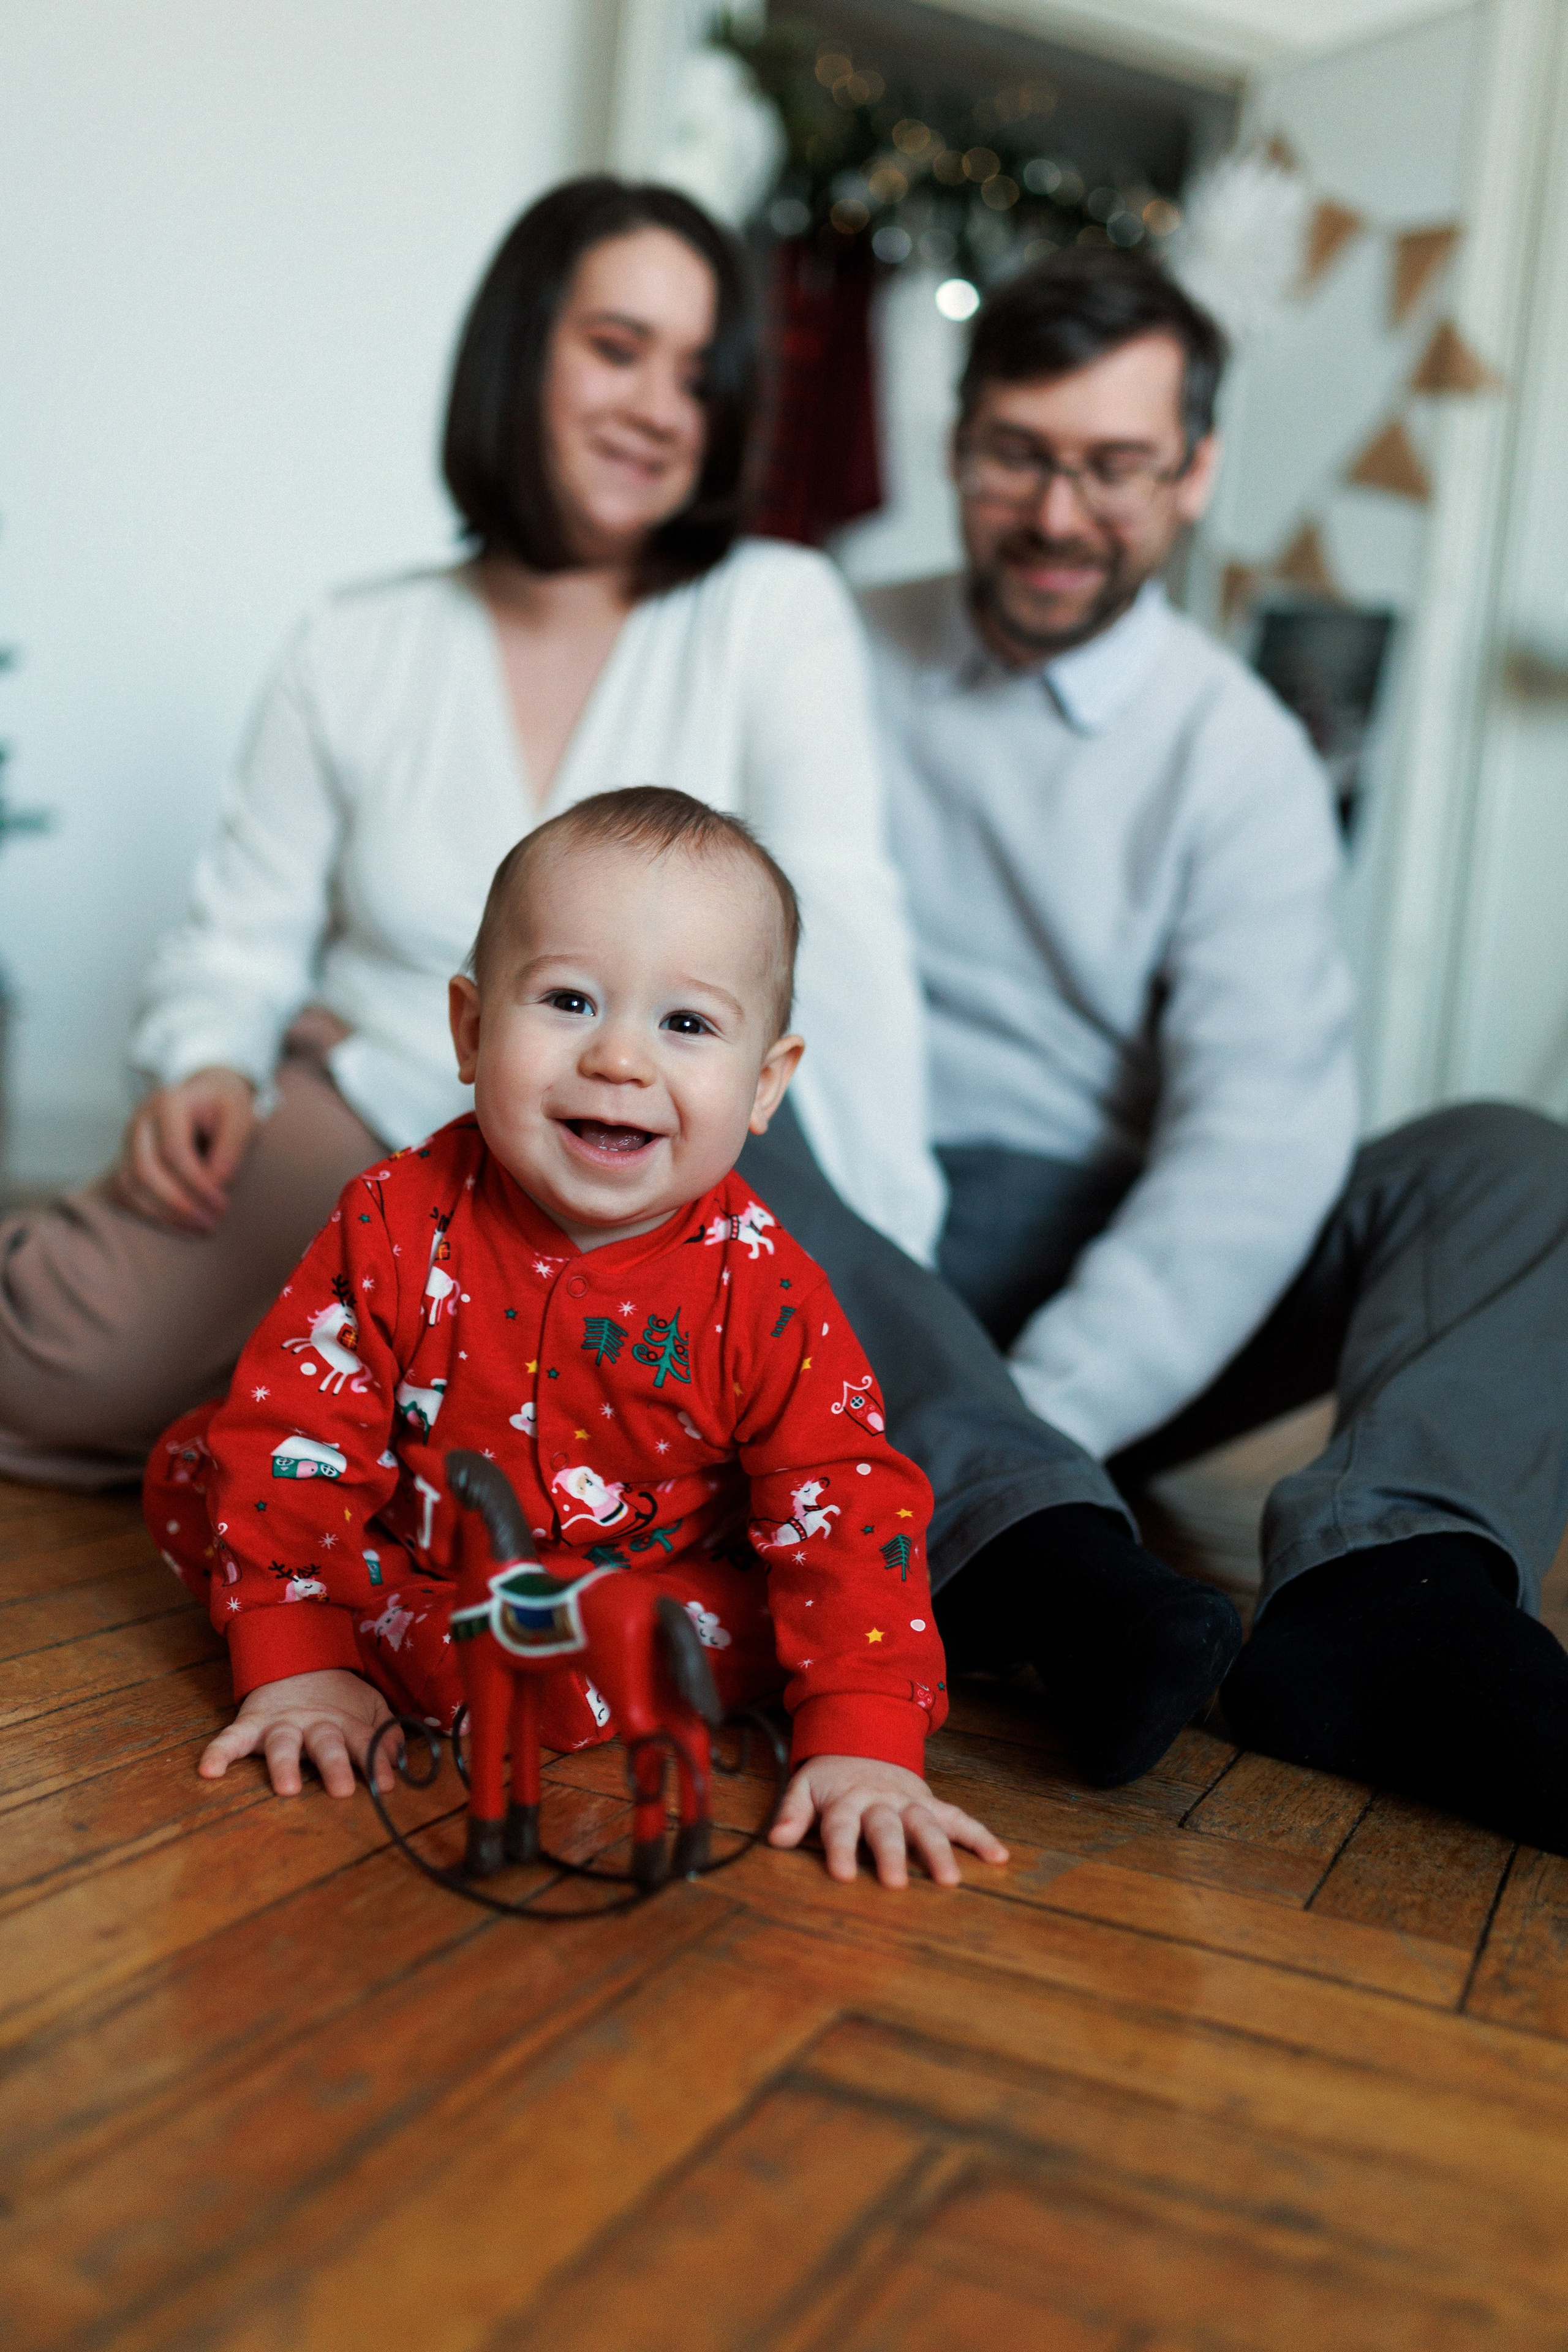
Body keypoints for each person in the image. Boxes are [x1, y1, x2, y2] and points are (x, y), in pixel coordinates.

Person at [0, 172, 941, 1485]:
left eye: (696, 378)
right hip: (381, 1086)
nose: (658, 411)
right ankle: (372, 1395)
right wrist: (209, 1056)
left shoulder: (772, 608)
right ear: (519, 356)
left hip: (642, 1126)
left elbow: (847, 933)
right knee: (55, 1361)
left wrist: (891, 1230)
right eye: (617, 350)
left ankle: (374, 1403)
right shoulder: (355, 638)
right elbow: (243, 929)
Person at [862, 246, 1568, 1855]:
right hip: (854, 1239)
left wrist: (1023, 1419)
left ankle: (1391, 1593)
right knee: (702, 1112)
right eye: (1018, 458)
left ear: (1194, 474)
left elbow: (1251, 1152)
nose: (1057, 514)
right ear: (958, 444)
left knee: (1515, 1167)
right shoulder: (818, 653)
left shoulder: (1238, 753)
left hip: (1116, 1256)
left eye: (1113, 468)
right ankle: (1023, 1543)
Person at [149, 789, 1009, 1890]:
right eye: (567, 1000)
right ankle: (388, 1656)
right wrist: (298, 1661)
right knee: (202, 1459)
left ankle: (511, 1670)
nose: (618, 1060)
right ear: (469, 1031)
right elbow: (295, 1431)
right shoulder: (391, 1219)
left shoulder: (767, 1287)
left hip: (646, 1584)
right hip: (418, 1558)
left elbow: (842, 1510)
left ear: (766, 1085)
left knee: (774, 1588)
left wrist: (862, 1745)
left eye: (686, 1025)